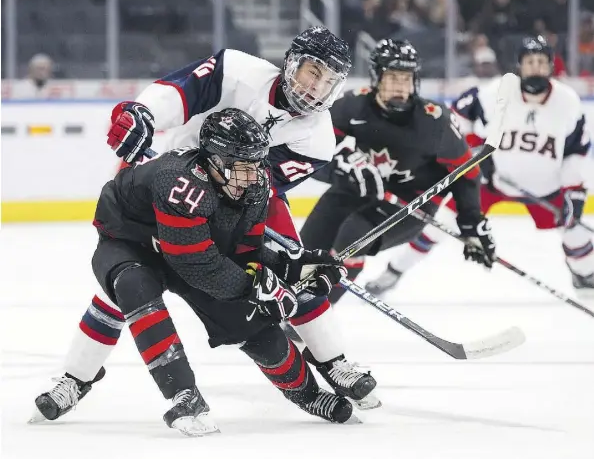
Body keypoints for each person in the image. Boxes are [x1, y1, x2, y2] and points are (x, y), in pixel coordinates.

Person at [31, 26, 380, 423]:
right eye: (312, 72)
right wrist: (143, 113)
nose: (317, 88)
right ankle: (76, 378)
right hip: (176, 185)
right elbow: (178, 92)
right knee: (125, 287)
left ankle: (333, 362)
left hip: (236, 199)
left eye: (329, 80)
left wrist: (282, 264)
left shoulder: (316, 139)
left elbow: (254, 187)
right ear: (292, 64)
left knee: (291, 264)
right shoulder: (237, 69)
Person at [367, 35, 593, 297]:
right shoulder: (495, 92)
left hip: (546, 187)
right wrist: (477, 156)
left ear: (551, 66)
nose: (535, 67)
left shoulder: (568, 102)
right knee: (440, 223)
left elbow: (576, 152)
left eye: (541, 62)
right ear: (519, 65)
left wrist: (574, 192)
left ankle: (586, 276)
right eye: (530, 61)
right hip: (492, 182)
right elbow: (458, 119)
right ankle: (393, 272)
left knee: (574, 231)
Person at [300, 38, 496, 304]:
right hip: (356, 190)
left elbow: (465, 173)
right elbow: (312, 154)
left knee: (352, 237)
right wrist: (340, 168)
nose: (400, 87)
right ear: (376, 78)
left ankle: (317, 311)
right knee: (305, 249)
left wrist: (471, 218)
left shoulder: (434, 120)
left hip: (410, 203)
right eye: (392, 78)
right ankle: (284, 310)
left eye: (406, 79)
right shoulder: (352, 106)